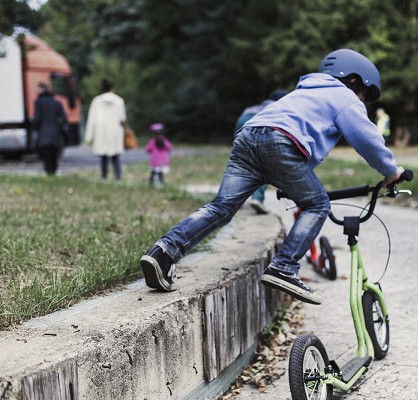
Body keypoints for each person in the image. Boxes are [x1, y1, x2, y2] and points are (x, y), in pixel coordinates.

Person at [139, 49, 404, 305]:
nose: (361, 102)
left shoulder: (303, 92)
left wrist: (287, 179)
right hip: (279, 142)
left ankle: (164, 252)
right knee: (317, 204)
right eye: (363, 94)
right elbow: (367, 139)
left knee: (221, 207)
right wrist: (391, 172)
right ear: (353, 80)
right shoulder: (343, 97)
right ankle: (284, 268)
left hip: (248, 135)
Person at [234, 89, 288, 214]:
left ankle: (233, 200)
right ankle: (257, 198)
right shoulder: (279, 107)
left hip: (243, 119)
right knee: (265, 164)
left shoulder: (255, 106)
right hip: (260, 122)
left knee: (241, 162)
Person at [84, 79, 127, 181]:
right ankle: (118, 177)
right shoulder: (119, 101)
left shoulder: (96, 101)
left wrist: (89, 137)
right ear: (112, 88)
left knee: (103, 157)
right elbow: (123, 118)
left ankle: (104, 177)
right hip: (115, 132)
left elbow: (91, 120)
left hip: (101, 132)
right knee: (115, 157)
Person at [32, 82, 68, 176]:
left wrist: (35, 128)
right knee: (54, 156)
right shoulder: (57, 103)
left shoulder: (38, 102)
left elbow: (37, 118)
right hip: (56, 134)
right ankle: (53, 172)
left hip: (43, 134)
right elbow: (63, 118)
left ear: (42, 89)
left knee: (46, 156)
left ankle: (49, 173)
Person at [145, 122, 172, 188]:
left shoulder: (152, 141)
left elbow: (148, 149)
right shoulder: (165, 141)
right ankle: (161, 183)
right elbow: (169, 148)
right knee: (160, 173)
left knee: (153, 172)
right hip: (163, 161)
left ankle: (151, 183)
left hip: (155, 161)